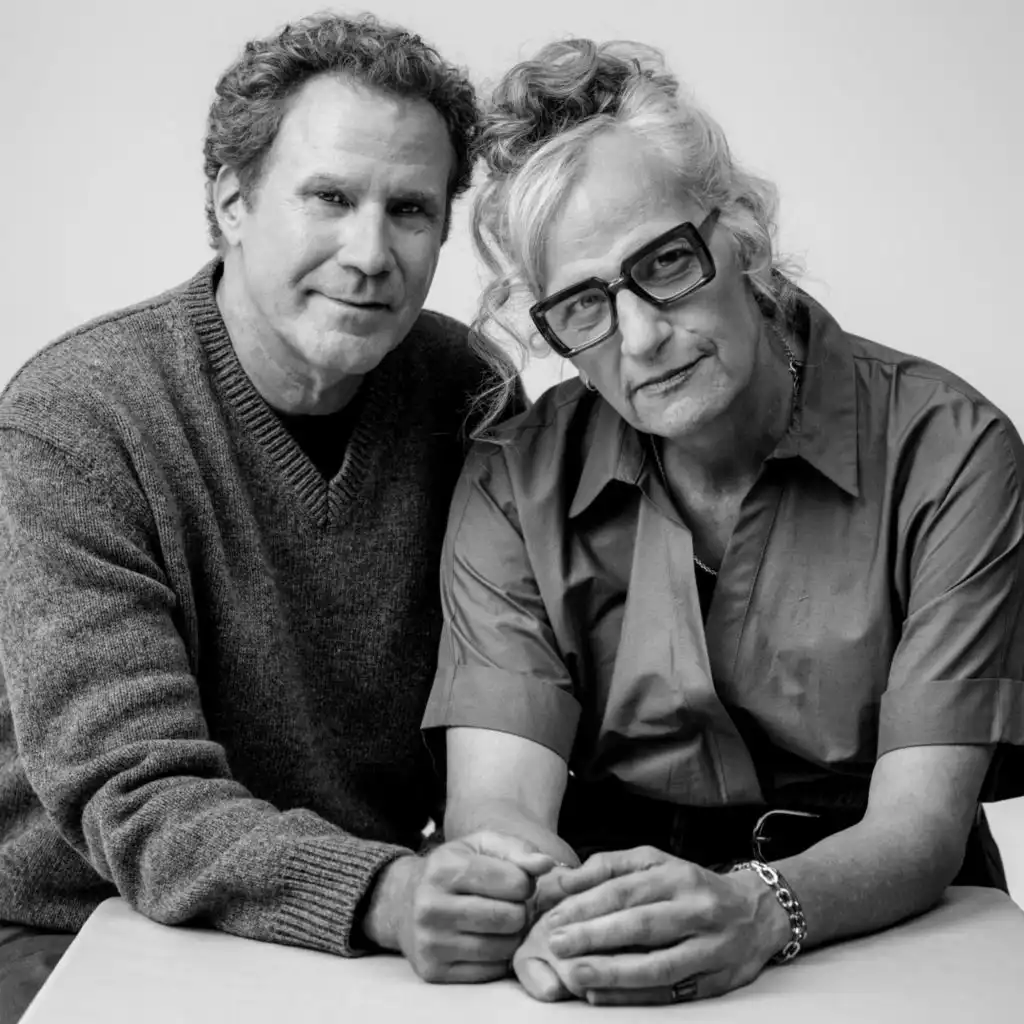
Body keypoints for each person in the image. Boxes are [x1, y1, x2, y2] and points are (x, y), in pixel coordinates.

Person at [423, 38, 1024, 1006]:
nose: (642, 337)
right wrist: (560, 904)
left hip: (893, 940)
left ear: (742, 231)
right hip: (612, 929)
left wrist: (757, 907)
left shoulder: (950, 449)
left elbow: (920, 826)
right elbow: (497, 803)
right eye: (582, 308)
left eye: (666, 262)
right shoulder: (511, 478)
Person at [0, 13, 551, 1021]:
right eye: (330, 198)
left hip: (359, 931)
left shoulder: (467, 391)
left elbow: (519, 683)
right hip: (77, 927)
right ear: (232, 201)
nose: (370, 253)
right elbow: (134, 792)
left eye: (410, 209)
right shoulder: (78, 420)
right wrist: (383, 893)